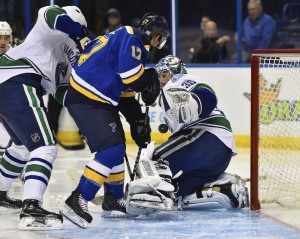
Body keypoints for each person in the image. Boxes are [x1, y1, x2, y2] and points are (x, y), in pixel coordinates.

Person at [59, 12, 169, 228]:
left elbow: (125, 87)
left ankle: (113, 199)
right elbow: (130, 76)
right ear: (156, 37)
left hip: (96, 97)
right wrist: (149, 79)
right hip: (88, 97)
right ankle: (78, 199)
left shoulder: (126, 38)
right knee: (111, 149)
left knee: (117, 145)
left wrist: (137, 120)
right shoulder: (132, 39)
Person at [0, 5, 89, 230]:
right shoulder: (53, 27)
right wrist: (80, 32)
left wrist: (89, 110)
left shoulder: (73, 52)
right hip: (18, 80)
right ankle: (32, 206)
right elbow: (51, 14)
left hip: (10, 82)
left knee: (21, 147)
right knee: (45, 148)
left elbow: (62, 91)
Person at [126, 55, 249, 215]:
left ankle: (147, 195)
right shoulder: (167, 96)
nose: (161, 81)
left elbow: (207, 95)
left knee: (153, 161)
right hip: (217, 154)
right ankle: (226, 189)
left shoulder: (179, 80)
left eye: (164, 75)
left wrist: (197, 103)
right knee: (175, 192)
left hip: (207, 137)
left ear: (175, 72)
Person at [0, 21, 13, 157]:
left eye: (6, 38)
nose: (3, 42)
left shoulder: (16, 57)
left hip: (10, 113)